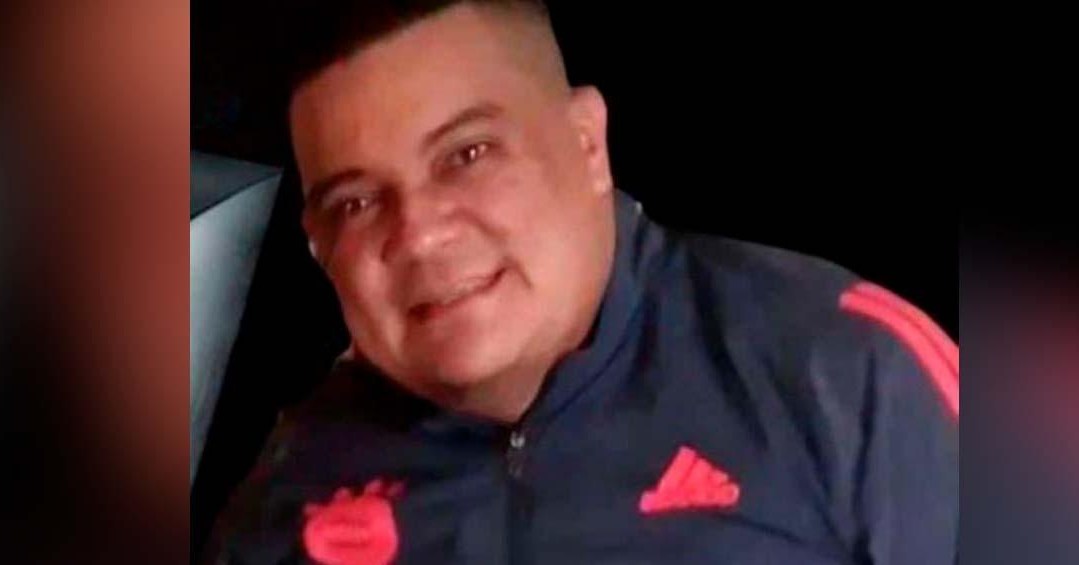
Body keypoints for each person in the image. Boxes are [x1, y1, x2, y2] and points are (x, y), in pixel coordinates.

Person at [208, 1, 958, 563]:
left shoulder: (841, 370)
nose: (420, 235)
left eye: (467, 156)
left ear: (587, 143)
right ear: (319, 247)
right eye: (356, 203)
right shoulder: (288, 495)